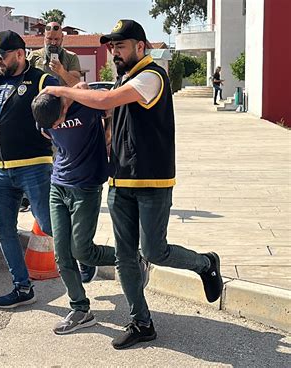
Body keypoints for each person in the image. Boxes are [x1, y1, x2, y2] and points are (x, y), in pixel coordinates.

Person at [41, 19, 223, 349]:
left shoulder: (152, 76)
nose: (114, 52)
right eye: (112, 47)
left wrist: (60, 89)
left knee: (155, 250)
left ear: (141, 47)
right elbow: (109, 112)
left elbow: (106, 101)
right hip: (120, 178)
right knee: (126, 257)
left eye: (120, 46)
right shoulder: (126, 75)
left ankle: (205, 263)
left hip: (153, 180)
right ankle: (142, 322)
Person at [31, 92, 149, 335]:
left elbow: (111, 105)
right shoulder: (44, 114)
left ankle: (132, 258)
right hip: (58, 185)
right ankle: (80, 309)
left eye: (56, 123)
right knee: (62, 254)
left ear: (63, 109)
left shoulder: (86, 106)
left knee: (82, 251)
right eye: (50, 126)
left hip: (86, 187)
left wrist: (108, 134)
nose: (53, 128)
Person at [0, 30, 59, 309]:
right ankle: (22, 287)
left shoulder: (42, 80)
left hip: (34, 168)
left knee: (50, 224)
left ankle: (83, 260)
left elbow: (64, 113)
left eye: (2, 56)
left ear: (19, 53)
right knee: (4, 229)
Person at [27, 22, 81, 87]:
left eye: (56, 39)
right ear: (44, 38)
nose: (53, 43)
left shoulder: (71, 57)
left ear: (62, 38)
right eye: (49, 39)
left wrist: (62, 72)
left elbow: (77, 85)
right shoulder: (34, 56)